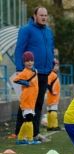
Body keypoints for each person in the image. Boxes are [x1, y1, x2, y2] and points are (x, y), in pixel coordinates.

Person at [14, 6, 55, 142]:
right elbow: (19, 48)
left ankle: (33, 133)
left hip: (44, 73)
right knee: (27, 103)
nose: (44, 17)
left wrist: (51, 65)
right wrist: (20, 69)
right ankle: (23, 132)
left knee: (38, 104)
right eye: (41, 15)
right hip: (31, 73)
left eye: (46, 15)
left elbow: (49, 49)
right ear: (35, 15)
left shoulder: (48, 31)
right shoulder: (26, 30)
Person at [13, 51, 41, 145]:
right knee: (29, 119)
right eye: (27, 61)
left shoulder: (34, 71)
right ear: (24, 62)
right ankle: (30, 139)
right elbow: (15, 79)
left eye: (31, 60)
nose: (29, 62)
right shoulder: (25, 72)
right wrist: (26, 83)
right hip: (26, 99)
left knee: (27, 120)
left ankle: (20, 139)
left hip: (32, 100)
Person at [46, 63, 61, 131]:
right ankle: (54, 126)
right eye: (56, 66)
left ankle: (50, 126)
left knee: (50, 110)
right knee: (53, 110)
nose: (57, 67)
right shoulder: (52, 74)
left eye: (57, 66)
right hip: (53, 95)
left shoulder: (52, 74)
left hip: (51, 95)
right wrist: (52, 91)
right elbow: (48, 84)